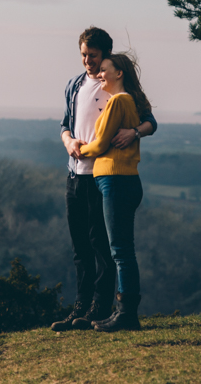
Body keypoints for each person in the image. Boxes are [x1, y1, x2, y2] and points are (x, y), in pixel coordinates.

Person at [51, 28, 156, 332]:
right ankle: (80, 308)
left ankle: (101, 308)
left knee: (105, 247)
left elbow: (150, 121)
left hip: (104, 176)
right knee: (80, 246)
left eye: (93, 56)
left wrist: (135, 132)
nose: (88, 61)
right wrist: (68, 141)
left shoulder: (115, 87)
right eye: (83, 54)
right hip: (76, 175)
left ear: (106, 56)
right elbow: (64, 124)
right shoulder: (74, 85)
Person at [76, 52, 151, 332]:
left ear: (119, 73)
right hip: (116, 179)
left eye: (104, 69)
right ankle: (122, 312)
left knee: (120, 250)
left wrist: (76, 148)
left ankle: (127, 314)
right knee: (120, 249)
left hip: (117, 179)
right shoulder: (122, 101)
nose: (99, 74)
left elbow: (99, 144)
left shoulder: (120, 100)